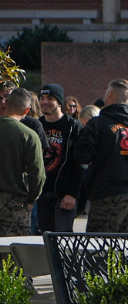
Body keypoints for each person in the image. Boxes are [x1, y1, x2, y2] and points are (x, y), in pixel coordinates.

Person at [73, 80, 128, 233]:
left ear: (110, 93)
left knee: (98, 247)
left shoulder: (98, 123)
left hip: (108, 193)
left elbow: (82, 156)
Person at [35, 84, 83, 233]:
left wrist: (72, 193)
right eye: (42, 98)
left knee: (63, 239)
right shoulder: (37, 125)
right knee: (43, 240)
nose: (45, 102)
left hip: (63, 194)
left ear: (60, 102)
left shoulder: (72, 126)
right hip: (41, 193)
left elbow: (80, 163)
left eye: (50, 98)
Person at [0, 89, 45, 236]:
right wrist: (32, 199)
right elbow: (37, 173)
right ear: (27, 110)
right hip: (15, 203)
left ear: (6, 103)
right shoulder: (29, 135)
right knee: (15, 252)